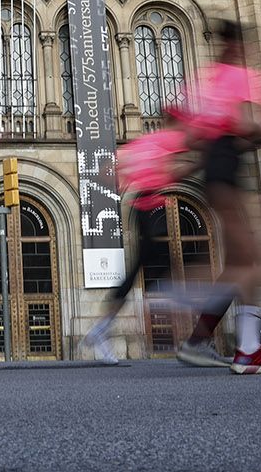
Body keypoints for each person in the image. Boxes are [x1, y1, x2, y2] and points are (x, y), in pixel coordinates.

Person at [173, 20, 261, 375]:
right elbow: (245, 125)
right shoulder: (239, 76)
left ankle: (198, 340)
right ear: (236, 46)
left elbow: (191, 136)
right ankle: (249, 350)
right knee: (252, 261)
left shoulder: (204, 80)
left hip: (216, 168)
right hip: (225, 168)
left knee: (240, 262)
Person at [81, 115, 194, 364]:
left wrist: (127, 179)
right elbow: (183, 163)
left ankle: (102, 328)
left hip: (146, 204)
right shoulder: (168, 138)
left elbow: (105, 171)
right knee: (160, 260)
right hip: (148, 205)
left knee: (139, 269)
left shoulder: (142, 143)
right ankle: (177, 308)